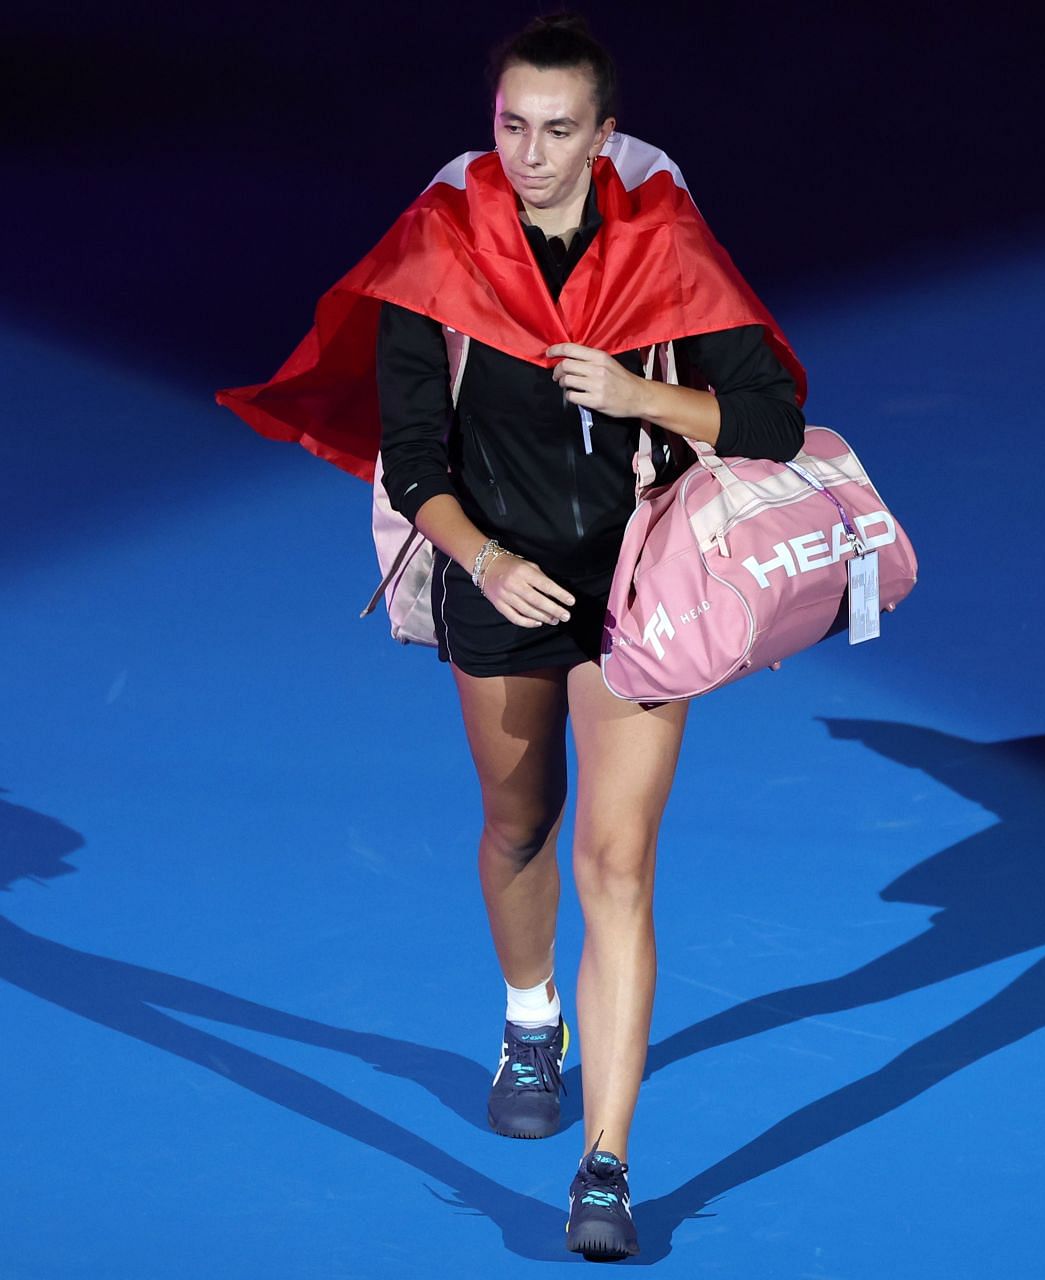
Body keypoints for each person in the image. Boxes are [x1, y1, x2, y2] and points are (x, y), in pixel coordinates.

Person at [217, 11, 807, 1262]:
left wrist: (639, 391)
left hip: (643, 580)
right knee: (519, 822)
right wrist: (486, 557)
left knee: (619, 864)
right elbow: (414, 456)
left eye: (557, 131)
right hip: (498, 576)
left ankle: (607, 1165)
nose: (529, 153)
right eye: (510, 127)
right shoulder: (436, 252)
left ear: (605, 137)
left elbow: (770, 417)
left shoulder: (662, 246)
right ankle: (531, 1013)